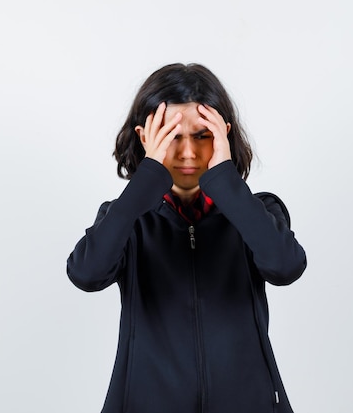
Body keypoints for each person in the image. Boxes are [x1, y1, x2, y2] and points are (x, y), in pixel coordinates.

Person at [66, 63, 307, 413]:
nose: (188, 153)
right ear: (145, 138)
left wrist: (225, 181)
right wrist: (146, 179)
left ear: (223, 136)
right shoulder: (126, 220)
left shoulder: (258, 213)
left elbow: (285, 266)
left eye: (202, 136)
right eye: (172, 136)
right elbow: (86, 274)